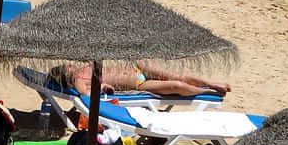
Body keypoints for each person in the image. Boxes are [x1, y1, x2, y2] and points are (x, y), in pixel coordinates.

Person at [62, 61, 231, 98]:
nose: (69, 66)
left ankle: (212, 83)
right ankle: (208, 92)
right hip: (140, 84)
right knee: (176, 85)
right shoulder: (79, 82)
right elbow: (86, 94)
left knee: (178, 77)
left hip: (138, 67)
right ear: (65, 76)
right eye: (66, 68)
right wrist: (103, 87)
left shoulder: (84, 65)